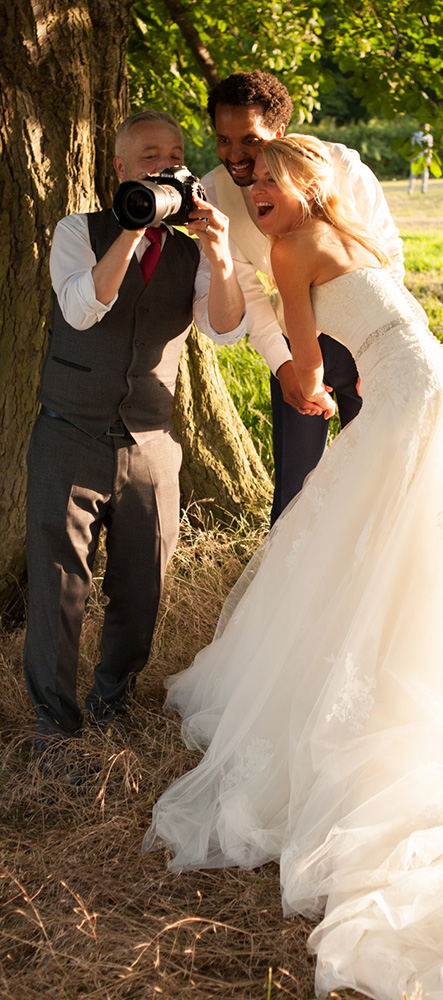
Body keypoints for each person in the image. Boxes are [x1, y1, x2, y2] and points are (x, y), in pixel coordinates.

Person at [144, 134, 443, 1000]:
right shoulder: (303, 244)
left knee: (399, 547)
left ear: (306, 182)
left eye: (269, 178)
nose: (256, 189)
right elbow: (308, 353)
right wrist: (306, 384)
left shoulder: (331, 236)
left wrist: (311, 386)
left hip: (420, 398)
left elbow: (334, 350)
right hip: (405, 399)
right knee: (379, 545)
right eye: (249, 181)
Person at [23, 109, 246, 778]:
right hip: (69, 432)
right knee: (59, 586)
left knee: (141, 587)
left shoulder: (192, 249)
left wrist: (220, 250)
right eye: (151, 155)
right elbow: (82, 308)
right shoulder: (77, 231)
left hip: (152, 440)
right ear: (120, 169)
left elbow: (225, 329)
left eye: (176, 153)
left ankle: (112, 701)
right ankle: (54, 731)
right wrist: (130, 226)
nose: (168, 163)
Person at [202, 70, 405, 523]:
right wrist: (285, 366)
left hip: (367, 345)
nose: (235, 156)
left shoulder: (342, 165)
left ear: (278, 132)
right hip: (296, 342)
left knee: (383, 477)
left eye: (248, 140)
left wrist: (380, 354)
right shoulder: (215, 191)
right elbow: (249, 292)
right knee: (295, 488)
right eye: (223, 140)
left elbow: (387, 254)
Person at [408, 123, 433, 195]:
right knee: (418, 175)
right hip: (418, 158)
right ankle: (419, 190)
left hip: (420, 158)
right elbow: (429, 149)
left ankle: (420, 190)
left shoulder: (428, 136)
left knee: (416, 175)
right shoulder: (426, 137)